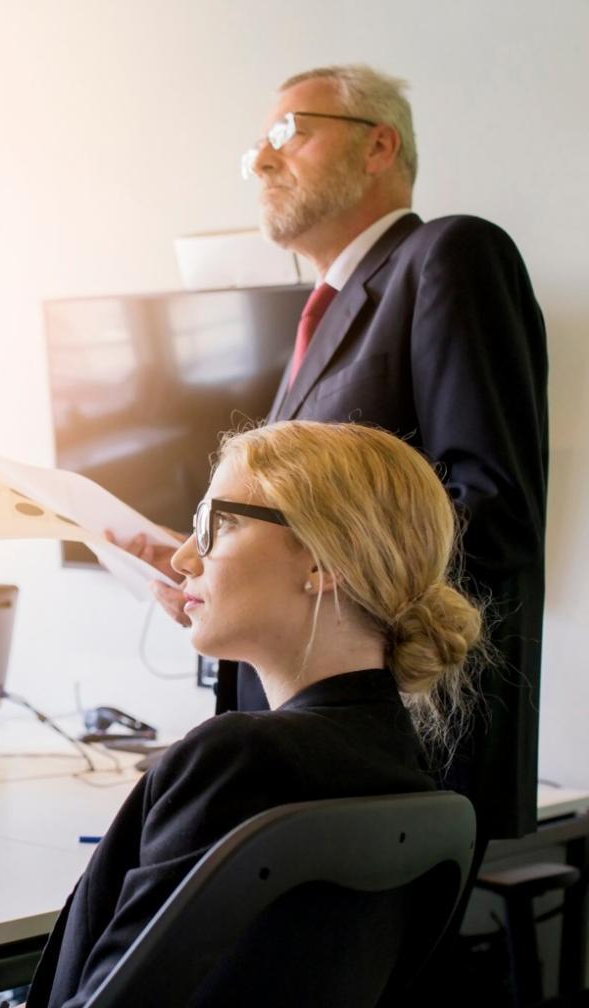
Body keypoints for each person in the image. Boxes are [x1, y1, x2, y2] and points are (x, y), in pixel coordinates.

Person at [0, 420, 483, 1008]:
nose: (185, 557)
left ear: (327, 560)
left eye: (218, 525)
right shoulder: (401, 766)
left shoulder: (237, 761)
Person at [124, 64, 547, 842]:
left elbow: (495, 507)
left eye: (291, 133)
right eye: (257, 145)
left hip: (399, 743)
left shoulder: (449, 256)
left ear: (379, 145)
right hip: (290, 739)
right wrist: (209, 561)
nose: (262, 161)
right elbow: (306, 528)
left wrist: (314, 552)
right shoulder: (318, 322)